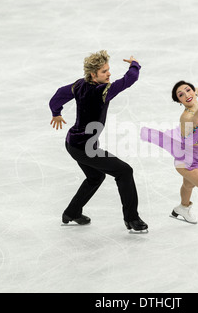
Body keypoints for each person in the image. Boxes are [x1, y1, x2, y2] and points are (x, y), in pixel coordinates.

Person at [49, 50, 148, 233]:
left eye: (108, 70)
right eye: (104, 71)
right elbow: (129, 80)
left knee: (95, 177)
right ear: (93, 75)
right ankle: (132, 219)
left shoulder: (80, 84)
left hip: (73, 143)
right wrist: (134, 64)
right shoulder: (103, 90)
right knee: (125, 172)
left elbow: (58, 95)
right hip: (84, 148)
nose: (109, 74)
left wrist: (56, 112)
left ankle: (71, 213)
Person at [140, 81, 198, 244]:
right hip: (186, 161)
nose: (187, 95)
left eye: (188, 90)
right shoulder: (186, 117)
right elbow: (196, 119)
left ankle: (183, 207)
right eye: (181, 95)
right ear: (179, 102)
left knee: (189, 185)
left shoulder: (194, 98)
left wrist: (196, 92)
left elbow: (194, 93)